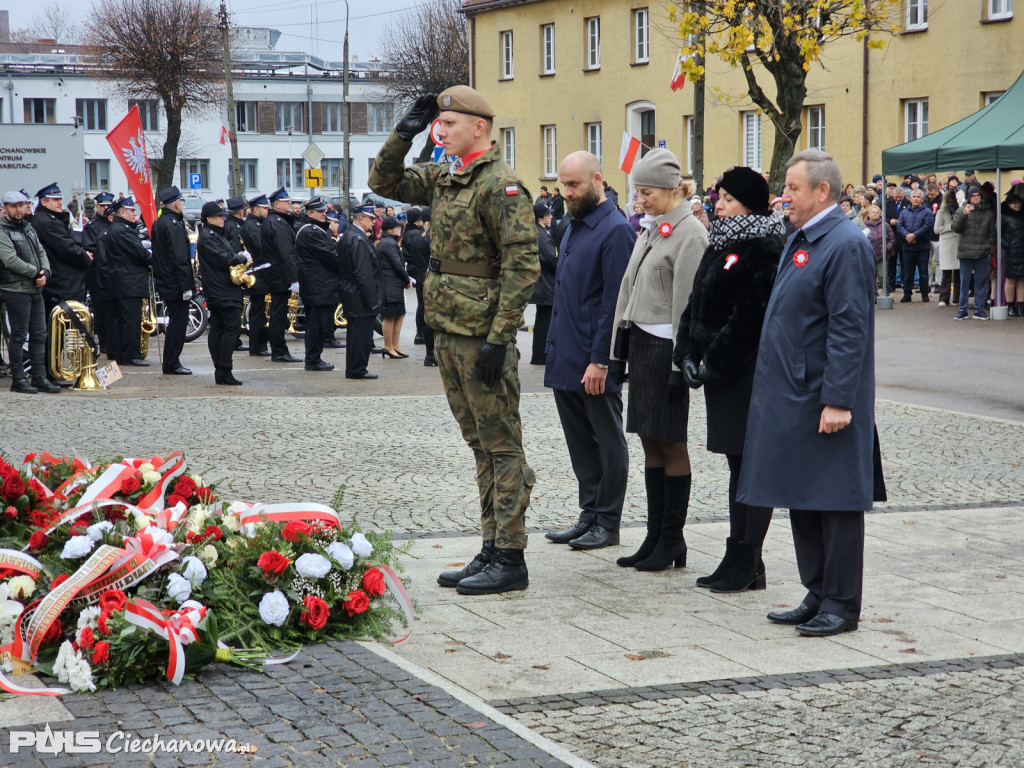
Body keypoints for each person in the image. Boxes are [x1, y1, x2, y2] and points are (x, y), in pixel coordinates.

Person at [369, 86, 540, 595]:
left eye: (448, 124)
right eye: (437, 124)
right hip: (447, 329)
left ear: (479, 128)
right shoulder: (446, 176)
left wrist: (499, 338)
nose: (439, 131)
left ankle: (510, 555)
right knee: (479, 446)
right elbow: (385, 180)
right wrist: (406, 131)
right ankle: (490, 548)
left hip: (480, 335)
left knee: (502, 445)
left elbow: (522, 267)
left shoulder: (500, 186)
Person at [739, 149, 877, 638]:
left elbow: (849, 327)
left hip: (824, 397)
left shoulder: (844, 244)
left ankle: (841, 603)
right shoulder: (803, 238)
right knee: (802, 494)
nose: (784, 197)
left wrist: (839, 399)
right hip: (794, 394)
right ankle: (817, 592)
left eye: (793, 188)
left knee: (835, 501)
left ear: (823, 192)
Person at [675, 166, 784, 592]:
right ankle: (737, 555)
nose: (719, 204)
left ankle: (749, 557)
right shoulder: (722, 239)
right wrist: (685, 351)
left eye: (728, 199)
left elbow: (750, 317)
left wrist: (714, 361)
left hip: (745, 371)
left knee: (750, 465)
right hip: (717, 371)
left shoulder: (764, 244)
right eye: (719, 197)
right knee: (736, 464)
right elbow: (695, 302)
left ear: (750, 204)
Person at [610, 148, 708, 571]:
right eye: (638, 192)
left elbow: (688, 305)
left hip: (666, 349)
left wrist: (679, 363)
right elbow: (627, 291)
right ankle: (654, 536)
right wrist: (617, 351)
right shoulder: (653, 229)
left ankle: (672, 538)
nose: (640, 200)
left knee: (671, 442)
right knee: (650, 439)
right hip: (642, 345)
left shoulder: (690, 234)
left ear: (671, 190)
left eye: (646, 192)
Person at [541, 151, 633, 549]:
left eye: (574, 184)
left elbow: (614, 303)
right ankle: (589, 512)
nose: (566, 192)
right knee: (580, 442)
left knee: (608, 443)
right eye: (563, 185)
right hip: (567, 356)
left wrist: (602, 360)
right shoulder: (573, 225)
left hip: (594, 360)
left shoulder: (615, 230)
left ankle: (608, 522)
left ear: (598, 179)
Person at [32, 182, 93, 387]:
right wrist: (85, 257)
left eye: (60, 199)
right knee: (54, 331)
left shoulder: (50, 219)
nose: (60, 203)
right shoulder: (46, 221)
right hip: (58, 282)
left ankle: (55, 371)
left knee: (61, 330)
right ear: (44, 202)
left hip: (62, 281)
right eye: (55, 200)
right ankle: (52, 372)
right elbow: (65, 248)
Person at [0, 190, 56, 393]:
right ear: (5, 208)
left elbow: (41, 251)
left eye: (21, 205)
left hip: (35, 288)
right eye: (13, 206)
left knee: (40, 334)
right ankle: (18, 379)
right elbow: (10, 260)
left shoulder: (28, 227)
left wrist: (46, 272)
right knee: (19, 335)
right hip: (15, 289)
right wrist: (36, 273)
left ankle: (39, 377)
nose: (18, 210)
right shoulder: (2, 230)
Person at [196, 202, 247, 385]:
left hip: (221, 288)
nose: (223, 218)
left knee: (219, 329)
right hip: (222, 289)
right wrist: (240, 258)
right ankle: (224, 369)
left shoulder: (214, 234)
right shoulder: (209, 236)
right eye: (219, 216)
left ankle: (221, 370)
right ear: (208, 218)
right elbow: (224, 259)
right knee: (230, 329)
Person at [150, 186, 195, 375]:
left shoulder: (159, 222)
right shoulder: (174, 225)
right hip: (176, 282)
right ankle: (172, 362)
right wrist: (186, 286)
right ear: (176, 204)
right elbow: (179, 258)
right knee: (178, 324)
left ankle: (171, 361)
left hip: (166, 280)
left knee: (175, 321)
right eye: (182, 201)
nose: (182, 204)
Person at [104, 197, 152, 367]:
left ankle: (120, 353)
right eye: (131, 211)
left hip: (122, 280)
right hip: (128, 282)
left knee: (121, 320)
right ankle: (131, 354)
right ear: (122, 212)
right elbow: (139, 253)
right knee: (131, 320)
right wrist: (151, 256)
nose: (134, 214)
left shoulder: (117, 228)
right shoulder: (122, 230)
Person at [295, 197, 341, 372]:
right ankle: (313, 359)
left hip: (318, 285)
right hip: (318, 286)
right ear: (310, 213)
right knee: (317, 325)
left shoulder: (313, 230)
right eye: (320, 211)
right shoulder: (311, 231)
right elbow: (331, 257)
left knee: (318, 324)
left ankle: (314, 358)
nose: (324, 214)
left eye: (324, 211)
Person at [338, 205, 383, 380]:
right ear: (361, 218)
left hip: (353, 293)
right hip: (359, 296)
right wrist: (372, 301)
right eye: (371, 219)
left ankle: (355, 368)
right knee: (360, 335)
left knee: (357, 334)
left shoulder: (353, 236)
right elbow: (363, 273)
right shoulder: (357, 238)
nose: (373, 223)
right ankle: (357, 369)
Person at [260, 188, 302, 361]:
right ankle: (279, 351)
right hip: (279, 275)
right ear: (276, 204)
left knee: (278, 312)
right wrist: (294, 278)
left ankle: (279, 349)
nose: (290, 204)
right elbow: (286, 253)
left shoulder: (276, 220)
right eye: (286, 202)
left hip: (277, 273)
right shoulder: (276, 222)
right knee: (278, 314)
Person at [951, 186, 995, 320]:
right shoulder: (961, 210)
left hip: (983, 252)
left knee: (981, 282)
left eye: (978, 195)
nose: (976, 197)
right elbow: (957, 229)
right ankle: (962, 309)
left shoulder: (987, 212)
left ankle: (979, 309)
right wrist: (964, 215)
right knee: (965, 282)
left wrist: (990, 250)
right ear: (969, 197)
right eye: (973, 195)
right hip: (966, 252)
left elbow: (992, 233)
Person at [82, 191, 115, 355]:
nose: (106, 208)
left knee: (114, 311)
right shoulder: (92, 227)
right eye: (103, 205)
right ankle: (105, 342)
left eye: (109, 205)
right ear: (97, 207)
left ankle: (115, 341)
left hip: (115, 274)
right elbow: (90, 250)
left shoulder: (116, 223)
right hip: (98, 276)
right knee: (101, 311)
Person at [403, 207, 436, 365]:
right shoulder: (430, 236)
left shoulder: (417, 236)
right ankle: (430, 352)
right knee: (432, 314)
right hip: (431, 277)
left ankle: (422, 339)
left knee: (423, 307)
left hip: (421, 275)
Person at [376, 215, 412, 359]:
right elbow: (397, 264)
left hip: (394, 283)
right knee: (390, 316)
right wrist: (407, 279)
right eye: (398, 227)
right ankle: (388, 346)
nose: (400, 229)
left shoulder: (388, 242)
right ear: (390, 230)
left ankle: (395, 346)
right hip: (389, 283)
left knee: (399, 313)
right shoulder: (388, 243)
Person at [242, 194, 271, 357]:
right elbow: (261, 248)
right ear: (255, 209)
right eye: (264, 208)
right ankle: (257, 346)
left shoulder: (256, 224)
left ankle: (259, 345)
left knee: (259, 310)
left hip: (259, 271)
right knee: (258, 311)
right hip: (258, 272)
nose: (266, 211)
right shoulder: (253, 226)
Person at [529, 201, 557, 366]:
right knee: (544, 321)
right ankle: (540, 356)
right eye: (548, 215)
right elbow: (550, 258)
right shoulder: (540, 234)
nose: (551, 217)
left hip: (543, 282)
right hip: (545, 283)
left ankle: (539, 355)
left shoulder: (540, 231)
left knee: (542, 320)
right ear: (540, 217)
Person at [897, 189, 934, 303]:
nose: (916, 198)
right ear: (910, 199)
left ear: (922, 199)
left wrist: (915, 235)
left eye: (919, 197)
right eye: (914, 197)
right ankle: (907, 293)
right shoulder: (904, 212)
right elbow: (900, 226)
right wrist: (907, 235)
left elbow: (927, 226)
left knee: (923, 272)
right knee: (908, 272)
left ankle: (924, 293)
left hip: (922, 246)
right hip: (908, 247)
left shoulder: (927, 212)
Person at [933, 188, 961, 307]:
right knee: (946, 273)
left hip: (958, 243)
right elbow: (936, 229)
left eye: (953, 198)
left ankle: (957, 298)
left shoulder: (959, 210)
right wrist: (950, 226)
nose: (952, 201)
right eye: (949, 198)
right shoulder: (941, 212)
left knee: (959, 273)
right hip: (947, 244)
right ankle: (943, 298)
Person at [861, 204, 894, 294]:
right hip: (870, 255)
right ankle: (873, 295)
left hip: (882, 255)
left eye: (877, 212)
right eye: (873, 212)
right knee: (871, 276)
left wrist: (887, 248)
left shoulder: (885, 225)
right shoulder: (864, 226)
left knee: (882, 275)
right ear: (868, 214)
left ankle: (886, 294)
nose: (875, 214)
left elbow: (892, 238)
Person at [1000, 192, 1024, 316]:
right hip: (1010, 252)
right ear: (1009, 204)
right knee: (1010, 279)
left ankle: (1020, 305)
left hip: (1021, 250)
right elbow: (998, 233)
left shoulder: (1022, 215)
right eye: (1015, 203)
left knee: (1021, 279)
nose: (1017, 205)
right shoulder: (1003, 216)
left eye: (1019, 203)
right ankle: (1010, 305)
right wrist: (1006, 245)